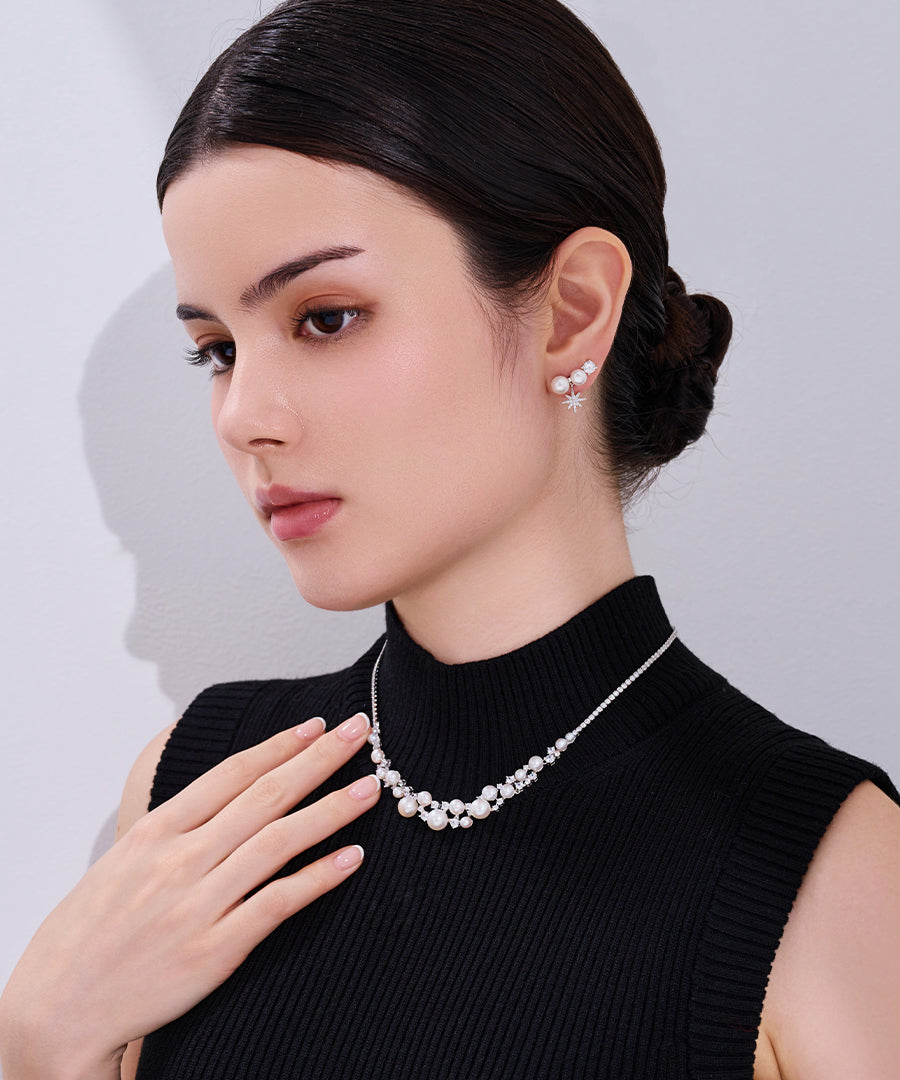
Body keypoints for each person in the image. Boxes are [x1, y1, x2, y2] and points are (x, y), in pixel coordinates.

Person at [2, 0, 899, 1077]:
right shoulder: (200, 797)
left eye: (326, 317)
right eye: (218, 349)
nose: (244, 415)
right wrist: (38, 1041)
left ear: (572, 310)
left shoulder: (828, 874)